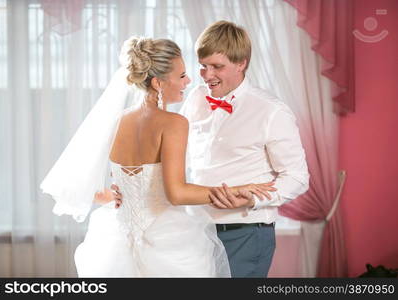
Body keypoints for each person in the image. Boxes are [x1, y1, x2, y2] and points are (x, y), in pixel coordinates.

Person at [41, 36, 275, 277]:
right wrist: (241, 189)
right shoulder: (174, 124)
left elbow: (85, 188)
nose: (189, 80)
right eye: (182, 75)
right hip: (166, 241)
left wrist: (118, 195)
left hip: (115, 242)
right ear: (157, 83)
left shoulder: (117, 121)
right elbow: (177, 194)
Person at [178, 20, 310, 277]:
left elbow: (297, 178)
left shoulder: (272, 111)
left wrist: (250, 198)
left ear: (242, 63)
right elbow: (175, 153)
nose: (207, 75)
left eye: (217, 67)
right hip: (197, 231)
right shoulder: (195, 98)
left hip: (246, 233)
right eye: (203, 66)